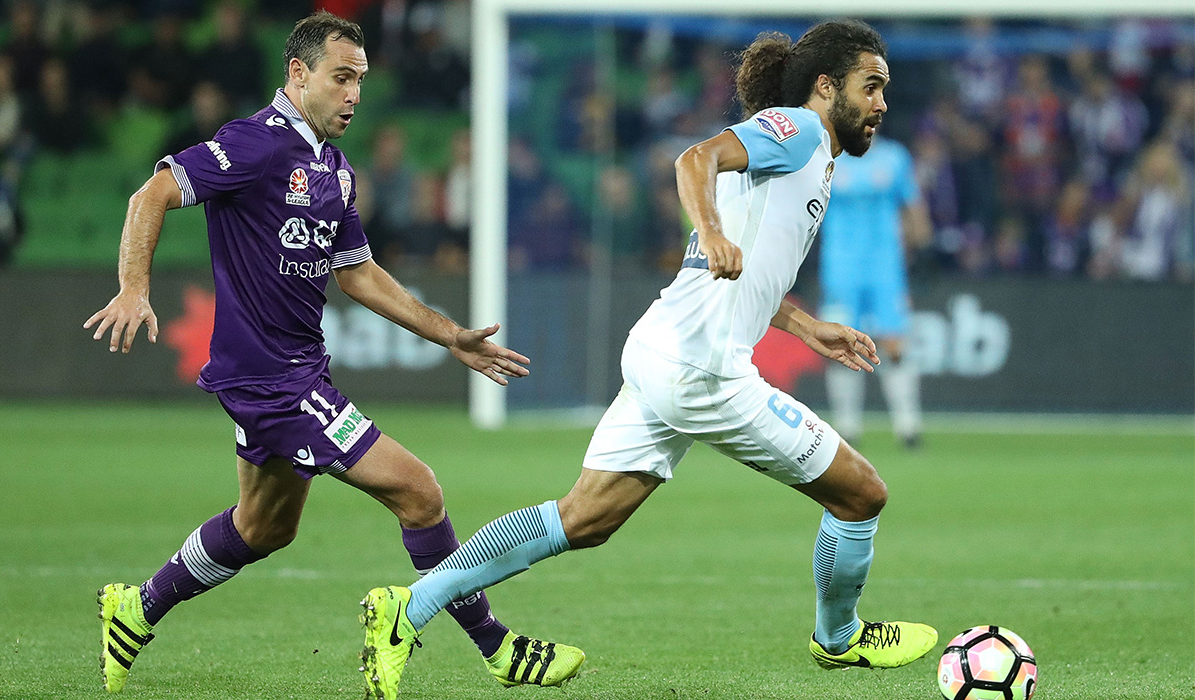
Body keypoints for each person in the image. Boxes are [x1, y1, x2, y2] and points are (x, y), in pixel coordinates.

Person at [358, 20, 938, 700]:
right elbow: (693, 159)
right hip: (703, 372)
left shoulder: (813, 158)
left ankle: (407, 608)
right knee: (862, 493)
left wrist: (804, 325)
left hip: (663, 348)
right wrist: (714, 230)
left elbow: (737, 267)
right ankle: (839, 638)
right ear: (825, 86)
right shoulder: (799, 130)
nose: (881, 103)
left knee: (585, 518)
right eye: (872, 87)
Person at [82, 11, 583, 695]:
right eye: (340, 77)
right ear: (299, 74)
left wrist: (449, 335)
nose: (353, 94)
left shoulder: (335, 170)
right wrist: (133, 288)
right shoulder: (254, 145)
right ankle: (497, 649)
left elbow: (360, 274)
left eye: (361, 81)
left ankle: (136, 607)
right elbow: (152, 193)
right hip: (273, 381)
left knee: (263, 527)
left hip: (294, 372)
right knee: (420, 492)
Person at [819, 133, 931, 448]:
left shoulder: (895, 157)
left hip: (885, 266)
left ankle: (908, 427)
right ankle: (847, 427)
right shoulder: (829, 156)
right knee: (841, 344)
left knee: (894, 343)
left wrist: (923, 247)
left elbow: (912, 205)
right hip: (840, 266)